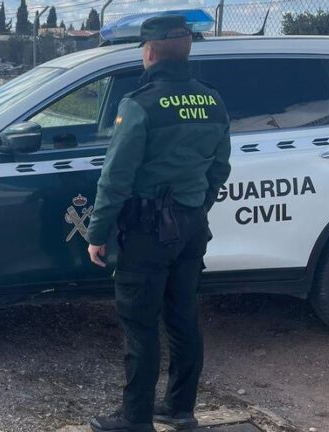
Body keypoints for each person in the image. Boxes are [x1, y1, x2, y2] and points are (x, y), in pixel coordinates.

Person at [85, 14, 232, 432]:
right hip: (191, 226)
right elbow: (220, 167)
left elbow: (116, 178)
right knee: (183, 318)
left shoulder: (140, 105)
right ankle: (180, 410)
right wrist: (197, 206)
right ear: (186, 50)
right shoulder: (213, 101)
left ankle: (135, 419)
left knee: (140, 324)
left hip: (148, 232)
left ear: (149, 52)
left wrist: (97, 233)